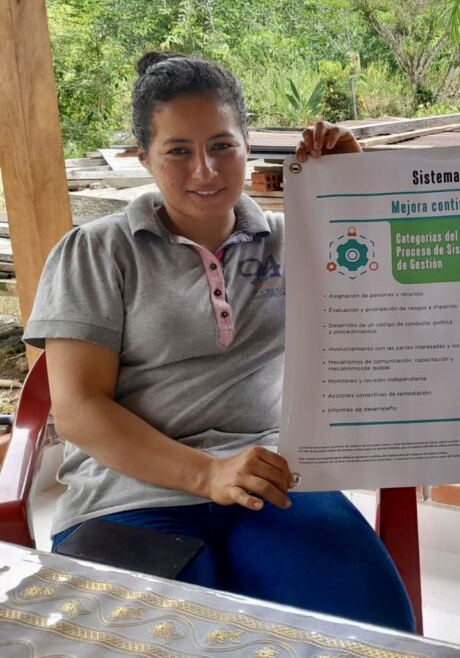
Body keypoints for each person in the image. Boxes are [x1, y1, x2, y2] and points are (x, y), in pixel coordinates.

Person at [24, 52, 415, 630]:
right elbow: (79, 411)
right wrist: (208, 474)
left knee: (372, 633)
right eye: (178, 150)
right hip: (129, 494)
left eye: (222, 146)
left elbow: (388, 308)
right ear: (144, 159)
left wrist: (351, 192)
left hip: (274, 480)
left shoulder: (297, 240)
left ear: (248, 145)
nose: (205, 170)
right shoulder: (97, 251)